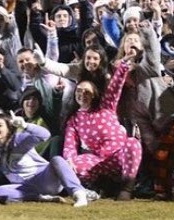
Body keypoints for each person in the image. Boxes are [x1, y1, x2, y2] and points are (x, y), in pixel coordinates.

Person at [61, 53, 142, 200]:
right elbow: (69, 145)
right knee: (72, 164)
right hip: (98, 161)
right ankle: (97, 187)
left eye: (87, 92)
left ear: (94, 95)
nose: (82, 94)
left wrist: (123, 65)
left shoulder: (106, 106)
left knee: (133, 143)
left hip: (120, 157)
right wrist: (69, 161)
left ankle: (126, 189)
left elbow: (115, 86)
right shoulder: (74, 119)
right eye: (79, 91)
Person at [0, 114, 92, 206]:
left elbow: (45, 135)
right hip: (25, 188)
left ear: (9, 128)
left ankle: (79, 193)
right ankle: (41, 198)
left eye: (0, 125)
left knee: (57, 160)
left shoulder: (18, 139)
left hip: (46, 179)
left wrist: (25, 126)